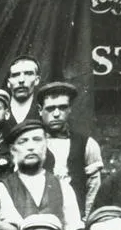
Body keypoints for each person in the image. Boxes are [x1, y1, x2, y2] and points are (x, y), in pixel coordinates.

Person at [0, 120, 85, 230]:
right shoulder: (3, 187)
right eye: (23, 141)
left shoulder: (62, 186)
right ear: (13, 150)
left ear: (46, 146)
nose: (31, 146)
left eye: (37, 140)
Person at [37, 81, 103, 214]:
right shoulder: (32, 144)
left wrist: (86, 220)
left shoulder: (87, 144)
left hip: (77, 219)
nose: (56, 114)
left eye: (62, 108)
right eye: (50, 108)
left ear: (69, 109)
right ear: (40, 110)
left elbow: (93, 188)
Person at [7, 54, 42, 126]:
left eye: (28, 74)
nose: (21, 80)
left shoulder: (44, 110)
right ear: (8, 82)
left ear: (37, 80)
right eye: (15, 75)